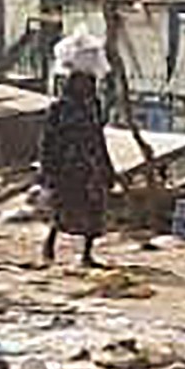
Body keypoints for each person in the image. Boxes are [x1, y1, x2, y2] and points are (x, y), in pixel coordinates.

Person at [40, 70, 116, 268]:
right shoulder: (58, 108)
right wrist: (48, 169)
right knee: (63, 207)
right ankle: (50, 243)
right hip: (66, 165)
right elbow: (47, 141)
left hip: (90, 165)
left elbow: (99, 137)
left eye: (91, 83)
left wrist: (108, 167)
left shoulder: (94, 107)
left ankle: (87, 254)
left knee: (94, 209)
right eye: (84, 83)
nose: (89, 87)